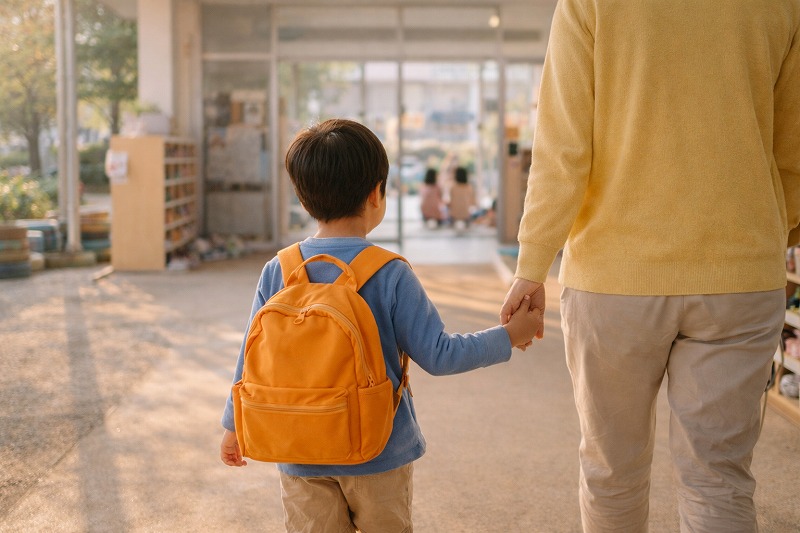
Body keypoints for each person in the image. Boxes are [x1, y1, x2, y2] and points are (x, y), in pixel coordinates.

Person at [501, 1, 800, 531]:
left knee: (612, 471)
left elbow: (563, 147)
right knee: (719, 480)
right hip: (740, 273)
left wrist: (532, 264)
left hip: (615, 279)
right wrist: (778, 235)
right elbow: (792, 149)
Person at [220, 118, 540, 532]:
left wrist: (233, 425)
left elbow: (249, 357)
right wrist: (509, 337)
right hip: (378, 451)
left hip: (296, 446)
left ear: (303, 199)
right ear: (377, 193)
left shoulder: (278, 270)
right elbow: (440, 356)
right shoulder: (388, 274)